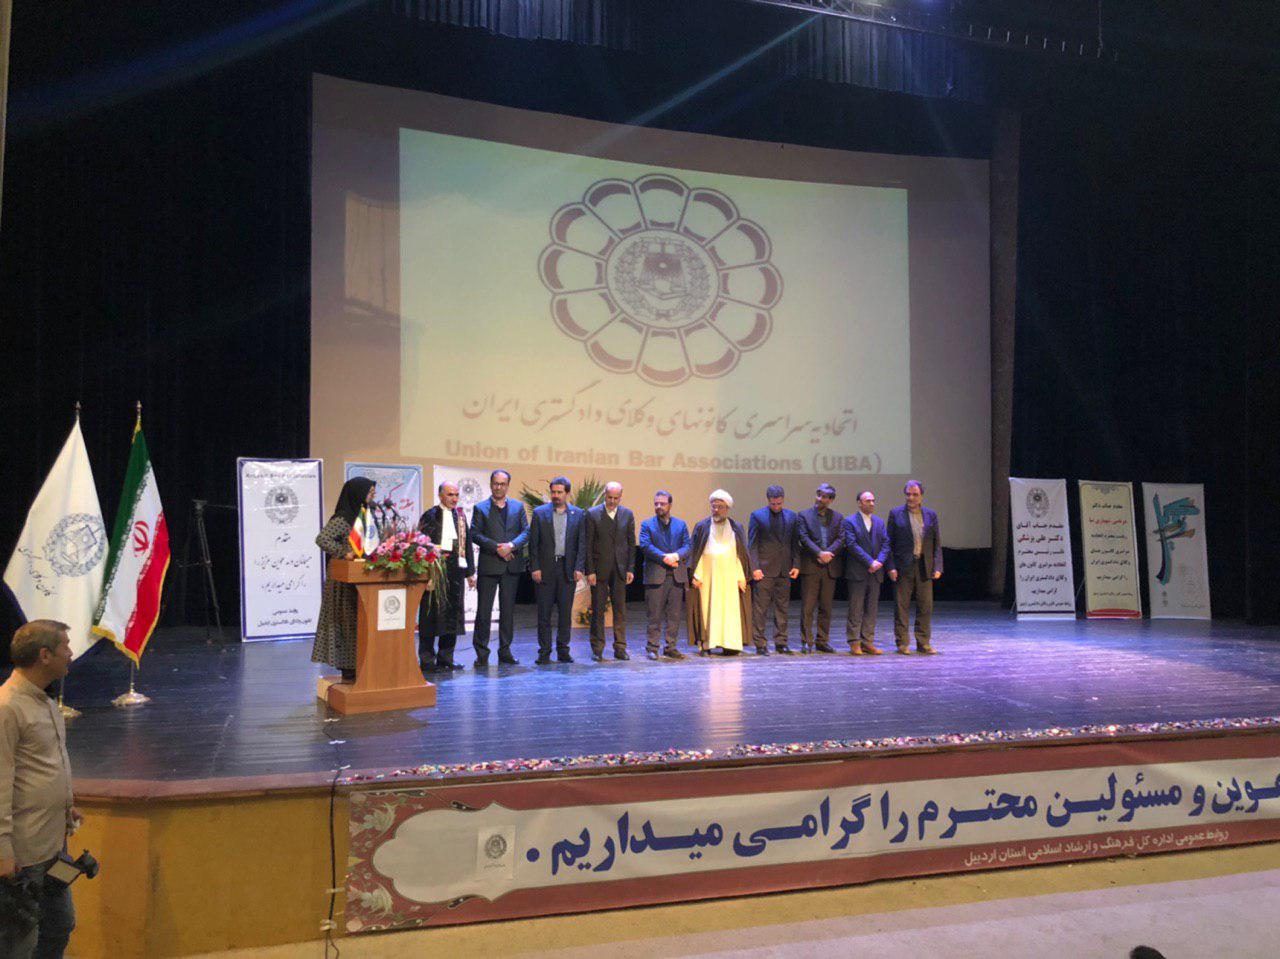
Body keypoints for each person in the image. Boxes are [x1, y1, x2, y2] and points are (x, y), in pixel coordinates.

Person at [1, 620, 80, 959]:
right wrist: (3, 850)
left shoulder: (46, 703)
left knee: (60, 925)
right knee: (17, 944)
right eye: (65, 647)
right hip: (22, 853)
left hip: (53, 845)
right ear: (45, 655)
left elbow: (44, 767)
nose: (71, 654)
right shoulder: (7, 707)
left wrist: (65, 805)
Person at [312, 476, 376, 680]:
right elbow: (322, 539)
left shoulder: (366, 515)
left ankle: (361, 663)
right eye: (370, 492)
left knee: (359, 622)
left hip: (361, 577)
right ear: (358, 493)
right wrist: (343, 552)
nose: (373, 495)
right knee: (345, 623)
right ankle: (347, 666)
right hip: (343, 581)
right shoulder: (343, 518)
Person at [470, 469, 530, 667]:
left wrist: (510, 546)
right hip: (489, 565)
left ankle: (505, 651)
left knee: (508, 612)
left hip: (511, 566)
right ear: (490, 484)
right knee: (483, 612)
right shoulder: (480, 508)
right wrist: (497, 548)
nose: (498, 487)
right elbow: (475, 534)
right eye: (495, 483)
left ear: (507, 486)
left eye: (502, 484)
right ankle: (481, 653)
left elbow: (526, 532)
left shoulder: (518, 507)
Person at [416, 482, 475, 673]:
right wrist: (425, 572)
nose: (454, 498)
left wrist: (470, 573)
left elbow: (467, 544)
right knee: (430, 616)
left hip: (455, 572)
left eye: (456, 495)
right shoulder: (430, 515)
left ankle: (446, 658)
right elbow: (421, 544)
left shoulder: (461, 517)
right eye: (450, 494)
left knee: (452, 616)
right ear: (441, 495)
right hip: (435, 571)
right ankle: (427, 660)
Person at [528, 476, 585, 665]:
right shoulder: (540, 513)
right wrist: (535, 567)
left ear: (567, 493)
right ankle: (544, 652)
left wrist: (579, 567)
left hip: (567, 569)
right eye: (553, 492)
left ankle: (563, 651)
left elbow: (581, 544)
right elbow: (533, 544)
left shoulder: (578, 514)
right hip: (545, 569)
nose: (556, 495)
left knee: (565, 613)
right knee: (544, 614)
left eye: (560, 492)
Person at [688, 490, 752, 655]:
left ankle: (729, 644)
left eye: (720, 507)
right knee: (709, 609)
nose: (716, 510)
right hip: (708, 577)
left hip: (729, 577)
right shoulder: (702, 526)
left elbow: (740, 554)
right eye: (713, 506)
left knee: (729, 611)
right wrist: (696, 574)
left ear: (727, 508)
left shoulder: (736, 527)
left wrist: (741, 576)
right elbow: (696, 551)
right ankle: (708, 643)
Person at [886, 480, 943, 655]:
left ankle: (923, 642)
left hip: (924, 566)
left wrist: (938, 566)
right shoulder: (896, 514)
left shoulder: (931, 515)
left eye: (915, 494)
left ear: (921, 496)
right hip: (903, 567)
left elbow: (936, 543)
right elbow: (888, 543)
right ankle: (902, 643)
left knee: (925, 606)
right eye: (908, 494)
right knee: (901, 606)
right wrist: (891, 567)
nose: (911, 498)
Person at [584, 482, 636, 661]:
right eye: (609, 497)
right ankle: (597, 649)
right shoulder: (593, 514)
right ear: (604, 495)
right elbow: (588, 544)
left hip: (620, 570)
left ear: (621, 497)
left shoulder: (627, 514)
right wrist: (590, 570)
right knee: (598, 610)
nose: (612, 501)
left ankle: (620, 647)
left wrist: (630, 568)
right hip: (599, 570)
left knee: (620, 610)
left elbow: (631, 544)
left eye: (616, 498)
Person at [638, 490, 691, 660]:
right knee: (654, 615)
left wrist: (675, 556)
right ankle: (652, 647)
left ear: (670, 505)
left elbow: (688, 546)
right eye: (656, 503)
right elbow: (645, 545)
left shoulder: (681, 525)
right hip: (656, 575)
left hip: (676, 575)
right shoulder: (647, 524)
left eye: (662, 503)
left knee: (674, 615)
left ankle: (671, 647)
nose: (659, 506)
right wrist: (664, 557)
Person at [747, 485, 800, 655]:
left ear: (783, 499)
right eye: (773, 504)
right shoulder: (757, 516)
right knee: (760, 609)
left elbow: (795, 543)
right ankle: (760, 643)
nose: (776, 506)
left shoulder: (792, 516)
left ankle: (781, 642)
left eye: (778, 503)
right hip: (764, 570)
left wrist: (796, 564)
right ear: (768, 500)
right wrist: (755, 567)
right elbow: (752, 544)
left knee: (782, 608)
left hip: (784, 570)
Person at [796, 483, 844, 654]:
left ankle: (822, 641)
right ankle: (806, 641)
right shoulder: (804, 515)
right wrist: (819, 553)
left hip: (829, 566)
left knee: (826, 607)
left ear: (830, 500)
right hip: (811, 565)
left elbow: (841, 538)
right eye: (818, 495)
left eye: (824, 497)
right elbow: (803, 537)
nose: (820, 499)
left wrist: (828, 553)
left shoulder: (838, 517)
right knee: (808, 607)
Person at [842, 490, 889, 655]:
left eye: (873, 500)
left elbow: (886, 544)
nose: (871, 503)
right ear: (859, 503)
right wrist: (870, 562)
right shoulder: (849, 521)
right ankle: (854, 642)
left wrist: (879, 562)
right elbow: (852, 544)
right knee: (855, 608)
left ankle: (867, 641)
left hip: (875, 573)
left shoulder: (879, 522)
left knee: (871, 608)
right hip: (858, 572)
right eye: (868, 500)